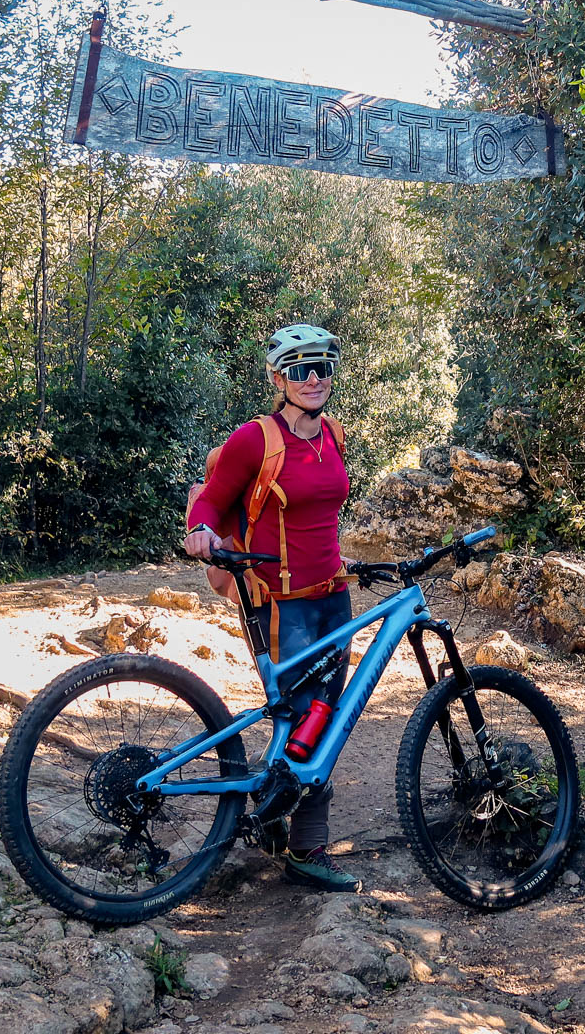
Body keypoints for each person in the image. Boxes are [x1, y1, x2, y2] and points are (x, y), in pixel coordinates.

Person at [183, 323, 362, 894]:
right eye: (300, 369)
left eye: (323, 368)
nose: (313, 379)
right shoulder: (256, 439)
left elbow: (324, 509)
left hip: (333, 595)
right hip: (278, 602)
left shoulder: (330, 432)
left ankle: (279, 815)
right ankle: (306, 845)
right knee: (306, 711)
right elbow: (211, 498)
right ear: (278, 377)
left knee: (325, 715)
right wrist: (202, 530)